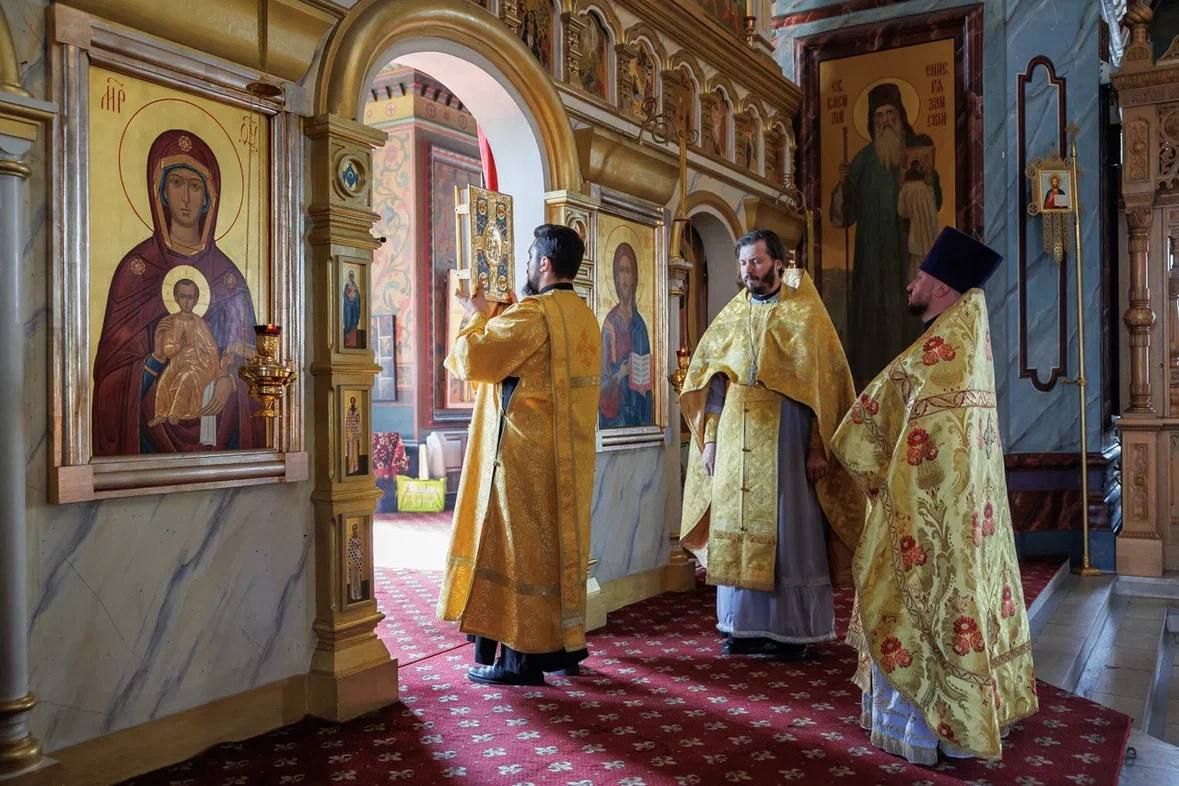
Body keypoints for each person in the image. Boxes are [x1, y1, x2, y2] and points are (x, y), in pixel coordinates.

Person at [830, 227, 1038, 765]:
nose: (911, 283)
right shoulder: (963, 340)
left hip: (931, 516)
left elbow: (876, 414)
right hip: (957, 512)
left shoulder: (940, 353)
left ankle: (928, 730)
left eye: (920, 276)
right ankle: (954, 726)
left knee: (924, 597)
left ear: (943, 287)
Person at [679, 229, 865, 661]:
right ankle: (740, 627)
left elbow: (823, 390)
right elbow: (715, 384)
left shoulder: (806, 314)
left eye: (757, 261)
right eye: (743, 262)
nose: (749, 271)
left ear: (779, 263)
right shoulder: (732, 315)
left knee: (789, 530)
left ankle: (791, 632)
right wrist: (710, 441)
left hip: (788, 437)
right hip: (735, 435)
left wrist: (817, 447)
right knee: (735, 525)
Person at [437, 224, 600, 686]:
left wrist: (475, 316)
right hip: (567, 462)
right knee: (559, 555)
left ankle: (519, 661)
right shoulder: (582, 315)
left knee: (519, 557)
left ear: (544, 264)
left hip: (523, 460)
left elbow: (474, 360)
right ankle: (564, 647)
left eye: (530, 258)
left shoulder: (533, 316)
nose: (527, 266)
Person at [93, 129, 263, 455]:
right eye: (176, 183)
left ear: (209, 198)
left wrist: (230, 383)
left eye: (195, 186)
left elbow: (256, 370)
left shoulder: (228, 279)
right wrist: (154, 360)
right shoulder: (136, 271)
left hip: (220, 437)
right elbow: (107, 383)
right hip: (149, 439)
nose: (186, 198)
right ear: (161, 191)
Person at [830, 82, 942, 388]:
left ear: (901, 114)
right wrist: (843, 185)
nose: (885, 121)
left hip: (906, 251)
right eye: (878, 116)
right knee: (873, 315)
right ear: (871, 121)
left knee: (904, 313)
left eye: (890, 113)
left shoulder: (916, 150)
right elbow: (846, 213)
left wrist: (927, 181)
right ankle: (871, 383)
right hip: (871, 256)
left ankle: (913, 377)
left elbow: (936, 201)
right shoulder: (864, 159)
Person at [148, 278, 221, 428]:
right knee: (163, 382)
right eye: (182, 297)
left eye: (190, 297)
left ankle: (176, 413)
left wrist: (206, 353)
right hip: (176, 363)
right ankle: (161, 414)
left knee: (185, 377)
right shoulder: (171, 321)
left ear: (196, 300)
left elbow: (212, 347)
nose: (186, 302)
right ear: (176, 298)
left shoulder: (200, 323)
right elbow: (167, 351)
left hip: (198, 365)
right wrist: (178, 346)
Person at [599, 243, 653, 428]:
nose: (624, 278)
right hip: (616, 415)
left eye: (628, 271)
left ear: (634, 277)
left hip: (638, 411)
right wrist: (620, 374)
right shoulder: (609, 324)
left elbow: (649, 376)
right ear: (615, 277)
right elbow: (602, 379)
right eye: (620, 271)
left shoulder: (640, 324)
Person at [342, 269, 361, 348]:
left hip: (354, 308)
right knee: (348, 322)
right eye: (350, 275)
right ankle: (347, 342)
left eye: (352, 276)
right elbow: (345, 297)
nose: (351, 277)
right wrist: (350, 299)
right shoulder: (347, 285)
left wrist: (355, 296)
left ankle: (353, 343)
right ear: (348, 277)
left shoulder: (355, 286)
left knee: (354, 323)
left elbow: (358, 296)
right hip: (348, 308)